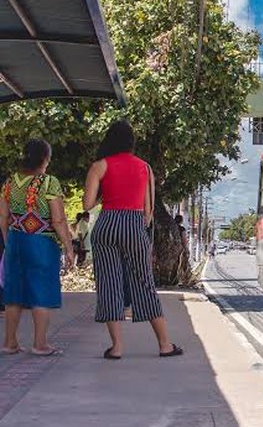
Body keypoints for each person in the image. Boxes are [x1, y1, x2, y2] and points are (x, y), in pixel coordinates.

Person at [83, 120, 183, 360]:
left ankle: (116, 347)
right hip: (134, 225)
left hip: (106, 225)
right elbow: (148, 211)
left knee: (109, 284)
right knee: (144, 282)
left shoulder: (99, 166)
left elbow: (87, 204)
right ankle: (165, 345)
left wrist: (105, 197)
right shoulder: (145, 168)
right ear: (131, 142)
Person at [0, 139, 74, 356]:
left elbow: (3, 216)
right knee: (42, 290)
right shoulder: (49, 183)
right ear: (45, 159)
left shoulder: (9, 182)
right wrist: (68, 246)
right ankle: (40, 344)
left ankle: (10, 342)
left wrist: (8, 239)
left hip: (15, 240)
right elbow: (58, 220)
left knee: (14, 292)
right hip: (42, 242)